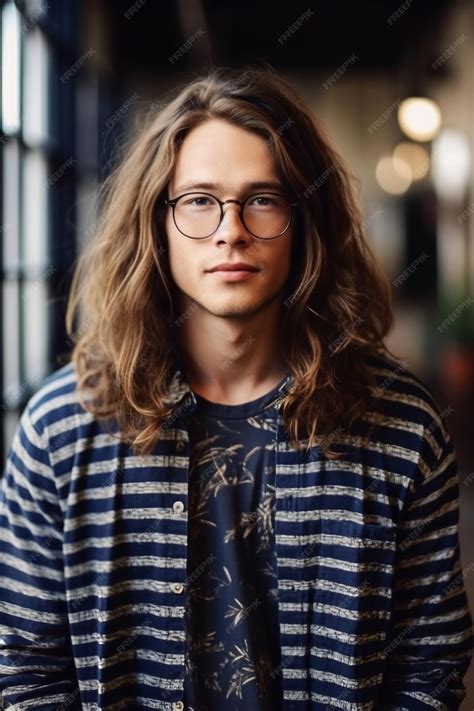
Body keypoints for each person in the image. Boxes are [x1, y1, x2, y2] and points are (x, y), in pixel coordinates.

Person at [0, 64, 472, 711]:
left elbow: (430, 665)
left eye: (263, 198)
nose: (231, 230)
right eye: (199, 200)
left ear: (306, 221)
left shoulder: (402, 426)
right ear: (157, 223)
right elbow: (27, 670)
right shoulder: (59, 432)